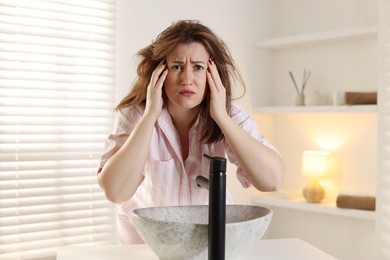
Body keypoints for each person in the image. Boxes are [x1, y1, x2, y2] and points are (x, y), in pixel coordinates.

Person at [97, 20, 284, 244]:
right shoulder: (136, 113)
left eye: (198, 67)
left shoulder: (228, 112)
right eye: (177, 66)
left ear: (211, 73)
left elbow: (272, 180)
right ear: (160, 72)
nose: (187, 79)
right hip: (147, 247)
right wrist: (150, 116)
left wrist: (222, 118)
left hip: (209, 243)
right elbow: (115, 191)